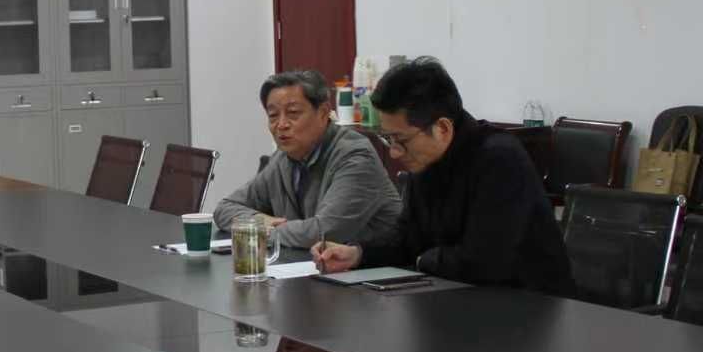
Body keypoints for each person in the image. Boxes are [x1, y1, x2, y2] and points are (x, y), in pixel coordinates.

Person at [312, 58, 574, 295]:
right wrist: (357, 254)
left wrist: (422, 260)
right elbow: (408, 237)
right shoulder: (426, 159)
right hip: (458, 298)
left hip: (527, 307)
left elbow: (484, 262)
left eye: (400, 140)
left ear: (443, 128)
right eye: (388, 138)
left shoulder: (500, 159)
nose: (393, 152)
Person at [214, 70, 401, 250]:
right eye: (273, 116)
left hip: (375, 268)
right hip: (307, 264)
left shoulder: (356, 157)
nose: (281, 125)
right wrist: (259, 221)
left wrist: (260, 230)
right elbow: (224, 209)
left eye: (293, 113)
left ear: (323, 112)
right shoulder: (283, 158)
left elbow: (322, 233)